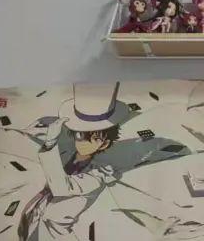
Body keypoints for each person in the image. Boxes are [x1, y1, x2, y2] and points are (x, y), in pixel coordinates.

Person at [18, 84, 131, 241]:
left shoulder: (99, 174)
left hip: (56, 234)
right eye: (80, 135)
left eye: (94, 138)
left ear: (104, 144)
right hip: (34, 221)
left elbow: (62, 187)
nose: (83, 142)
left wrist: (50, 144)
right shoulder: (67, 156)